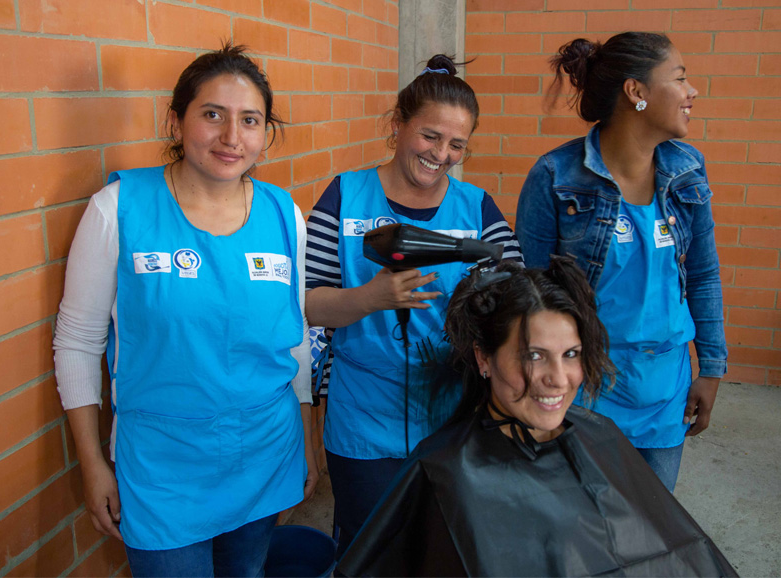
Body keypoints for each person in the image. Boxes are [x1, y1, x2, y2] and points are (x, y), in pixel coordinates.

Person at [53, 43, 317, 577]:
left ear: (265, 133)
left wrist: (306, 439)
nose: (230, 137)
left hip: (264, 450)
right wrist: (93, 464)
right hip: (161, 468)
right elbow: (78, 341)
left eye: (250, 120)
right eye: (212, 114)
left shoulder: (284, 214)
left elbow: (295, 335)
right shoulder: (118, 209)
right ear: (176, 121)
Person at [338, 259, 736, 577]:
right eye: (533, 356)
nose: (558, 380)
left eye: (571, 354)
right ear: (484, 358)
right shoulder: (443, 474)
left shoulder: (600, 436)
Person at [305, 54, 524, 558]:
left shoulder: (478, 209)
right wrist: (371, 298)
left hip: (453, 417)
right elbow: (310, 306)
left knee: (440, 552)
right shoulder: (344, 197)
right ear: (397, 125)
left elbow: (516, 302)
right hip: (362, 419)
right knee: (369, 551)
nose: (441, 154)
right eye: (429, 136)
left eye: (456, 145)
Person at [515, 32, 727, 492]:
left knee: (649, 531)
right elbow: (528, 294)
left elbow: (705, 275)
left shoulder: (688, 170)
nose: (692, 92)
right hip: (583, 389)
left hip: (665, 390)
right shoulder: (555, 176)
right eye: (680, 78)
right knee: (581, 533)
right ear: (637, 92)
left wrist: (710, 368)